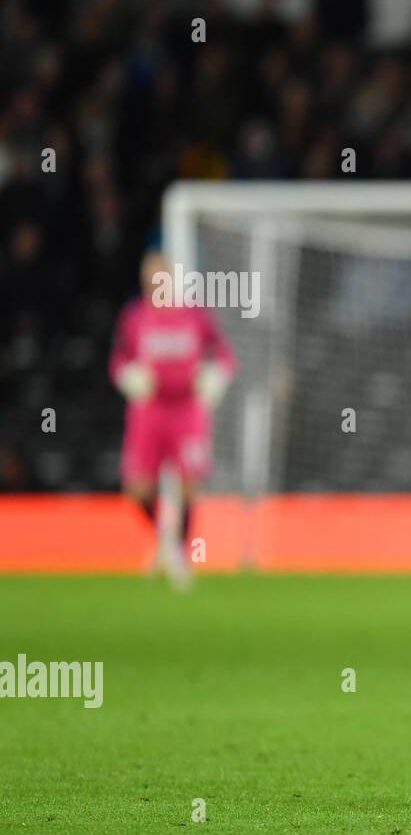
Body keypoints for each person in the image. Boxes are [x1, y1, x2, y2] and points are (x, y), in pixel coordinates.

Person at [110, 251, 237, 588]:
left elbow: (224, 356)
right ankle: (165, 537)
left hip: (186, 410)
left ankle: (180, 553)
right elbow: (118, 361)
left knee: (189, 484)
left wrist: (215, 379)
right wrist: (130, 377)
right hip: (149, 411)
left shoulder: (194, 316)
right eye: (150, 278)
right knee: (138, 490)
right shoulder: (135, 317)